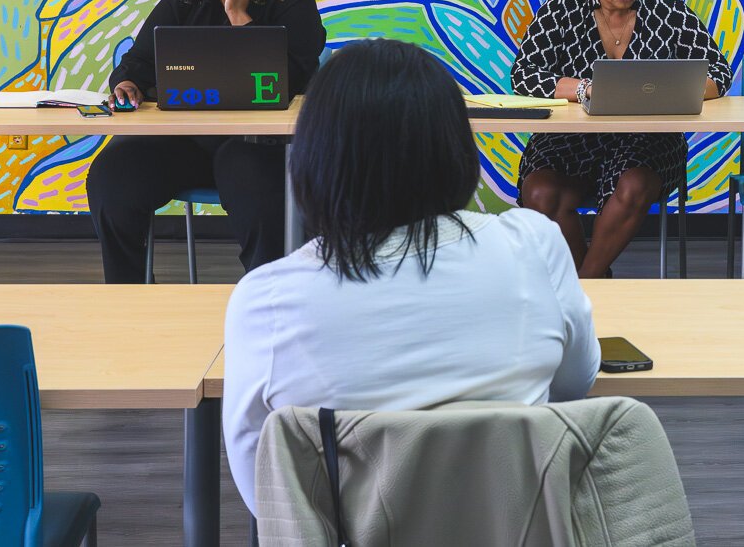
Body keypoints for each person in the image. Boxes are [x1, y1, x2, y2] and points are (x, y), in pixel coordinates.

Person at [223, 39, 599, 515]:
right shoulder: (534, 243)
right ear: (456, 147)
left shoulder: (266, 299)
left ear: (316, 157)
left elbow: (266, 490)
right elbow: (575, 380)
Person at [85, 0, 326, 282]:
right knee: (111, 177)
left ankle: (266, 300)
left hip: (257, 145)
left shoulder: (291, 1)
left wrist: (238, 15)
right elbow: (138, 59)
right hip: (184, 141)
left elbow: (292, 79)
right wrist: (126, 82)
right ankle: (125, 294)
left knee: (261, 194)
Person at [513, 0, 733, 278]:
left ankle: (587, 286)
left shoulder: (668, 10)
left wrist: (672, 91)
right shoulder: (561, 7)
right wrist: (585, 89)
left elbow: (719, 73)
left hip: (646, 140)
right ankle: (595, 281)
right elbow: (525, 75)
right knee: (541, 193)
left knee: (632, 184)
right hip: (569, 139)